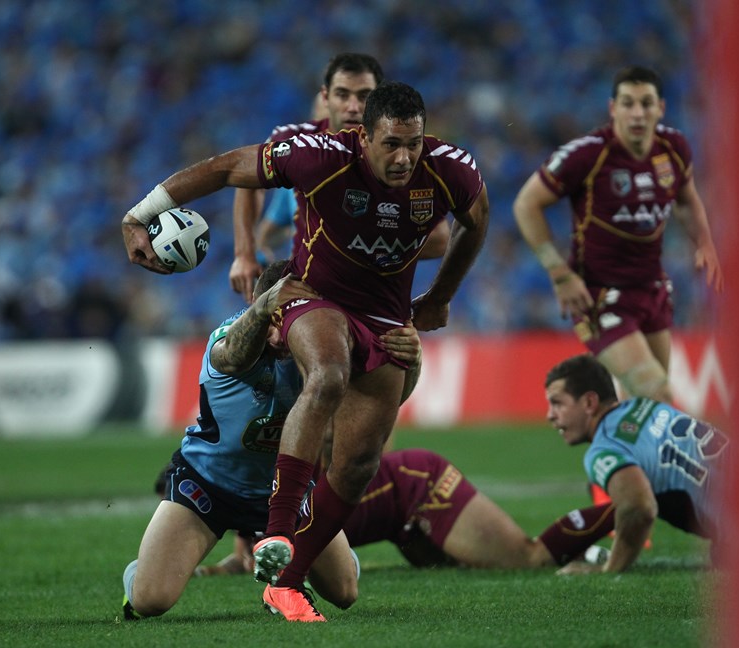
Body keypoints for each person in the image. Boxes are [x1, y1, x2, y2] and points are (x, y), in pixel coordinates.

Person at [122, 80, 490, 621]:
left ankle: (285, 578)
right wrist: (139, 214)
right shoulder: (319, 160)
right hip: (313, 306)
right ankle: (274, 537)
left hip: (383, 317)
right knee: (329, 373)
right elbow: (227, 170)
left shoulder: (449, 169)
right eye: (391, 144)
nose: (404, 157)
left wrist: (438, 300)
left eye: (413, 143)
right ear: (363, 136)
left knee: (358, 481)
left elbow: (476, 220)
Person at [121, 260, 423, 621]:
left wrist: (411, 362)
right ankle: (145, 571)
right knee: (151, 600)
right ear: (260, 305)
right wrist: (265, 305)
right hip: (208, 485)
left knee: (345, 591)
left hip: (288, 493)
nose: (283, 334)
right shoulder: (228, 337)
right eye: (278, 317)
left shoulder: (324, 353)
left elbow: (376, 404)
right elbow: (231, 357)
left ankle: (289, 574)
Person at [513, 65, 723, 405]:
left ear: (661, 108)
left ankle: (620, 457)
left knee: (643, 407)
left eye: (645, 103)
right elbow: (526, 204)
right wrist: (558, 272)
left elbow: (686, 199)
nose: (637, 113)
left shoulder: (674, 148)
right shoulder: (589, 154)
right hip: (599, 296)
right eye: (628, 103)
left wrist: (704, 242)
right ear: (613, 109)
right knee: (657, 392)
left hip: (652, 287)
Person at [181, 447, 615, 577]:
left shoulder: (290, 460)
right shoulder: (254, 494)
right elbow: (255, 553)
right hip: (399, 529)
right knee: (468, 567)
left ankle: (625, 508)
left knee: (527, 558)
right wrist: (217, 569)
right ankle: (587, 553)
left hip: (417, 487)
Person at [229, 53, 449, 303]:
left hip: (371, 300)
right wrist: (246, 253)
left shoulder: (402, 156)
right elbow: (250, 184)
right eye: (343, 95)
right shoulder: (297, 147)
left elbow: (440, 238)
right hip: (306, 294)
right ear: (326, 97)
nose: (353, 107)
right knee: (223, 341)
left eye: (364, 96)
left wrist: (369, 252)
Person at [544, 353, 727, 574]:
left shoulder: (605, 448)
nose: (550, 415)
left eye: (557, 404)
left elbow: (637, 507)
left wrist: (610, 569)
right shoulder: (645, 405)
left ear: (589, 402)